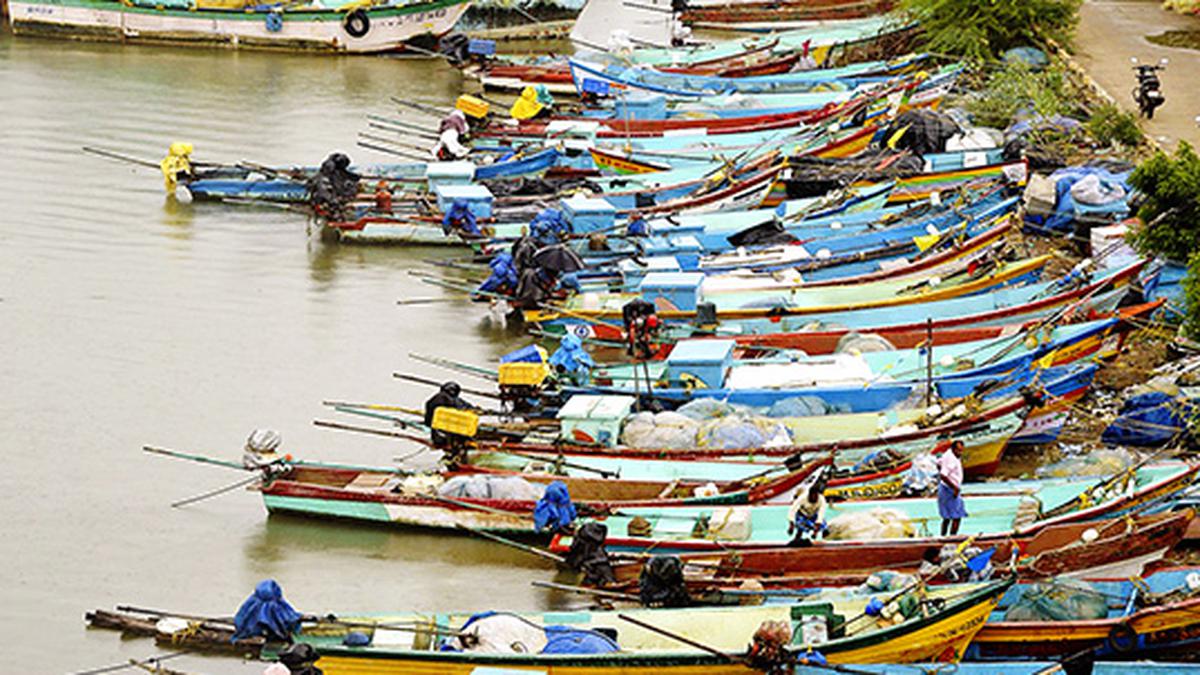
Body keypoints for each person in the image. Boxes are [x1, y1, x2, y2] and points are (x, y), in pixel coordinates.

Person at [424, 381, 473, 459]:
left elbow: (427, 422)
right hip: (451, 436)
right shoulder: (452, 400)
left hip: (438, 436)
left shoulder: (434, 400)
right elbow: (466, 407)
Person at [787, 472, 828, 547]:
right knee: (800, 528)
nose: (813, 498)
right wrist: (791, 525)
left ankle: (825, 542)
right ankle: (796, 539)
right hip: (802, 514)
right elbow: (793, 510)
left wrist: (815, 532)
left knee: (825, 528)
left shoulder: (822, 500)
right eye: (811, 496)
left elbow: (821, 514)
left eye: (815, 496)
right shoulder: (802, 498)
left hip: (813, 515)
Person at [937, 440, 967, 536]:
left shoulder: (947, 454)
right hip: (950, 490)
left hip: (945, 488)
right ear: (953, 449)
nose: (960, 453)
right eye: (958, 451)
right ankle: (952, 537)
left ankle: (943, 537)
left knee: (947, 517)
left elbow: (938, 463)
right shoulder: (951, 459)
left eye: (961, 451)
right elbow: (943, 475)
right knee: (957, 516)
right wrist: (955, 488)